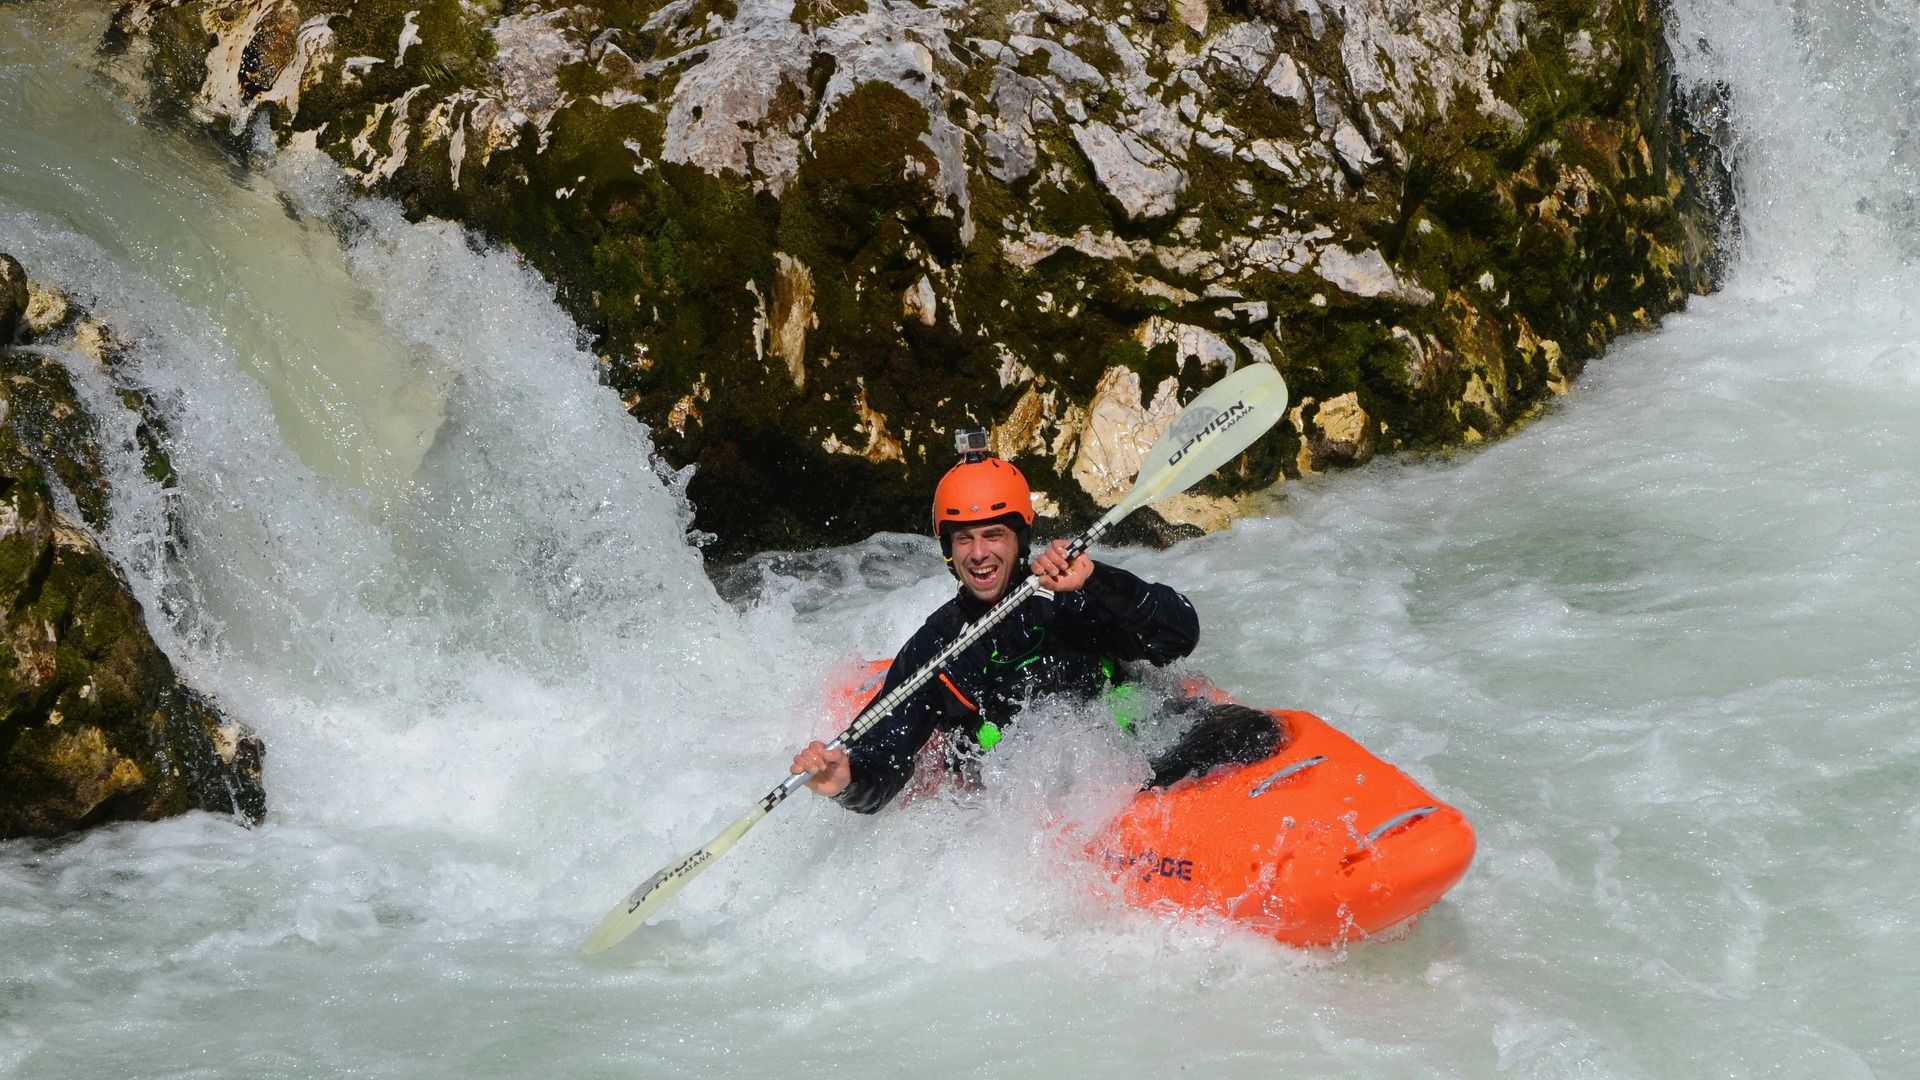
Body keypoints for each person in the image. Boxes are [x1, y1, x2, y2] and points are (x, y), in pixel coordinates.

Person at [789, 429, 1204, 813]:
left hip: (1137, 751)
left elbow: (1179, 635)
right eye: (964, 538)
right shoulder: (936, 650)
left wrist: (1098, 579)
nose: (979, 553)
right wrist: (846, 781)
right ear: (949, 550)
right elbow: (884, 761)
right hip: (1031, 803)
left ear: (1019, 540)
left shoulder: (1070, 596)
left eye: (993, 535)